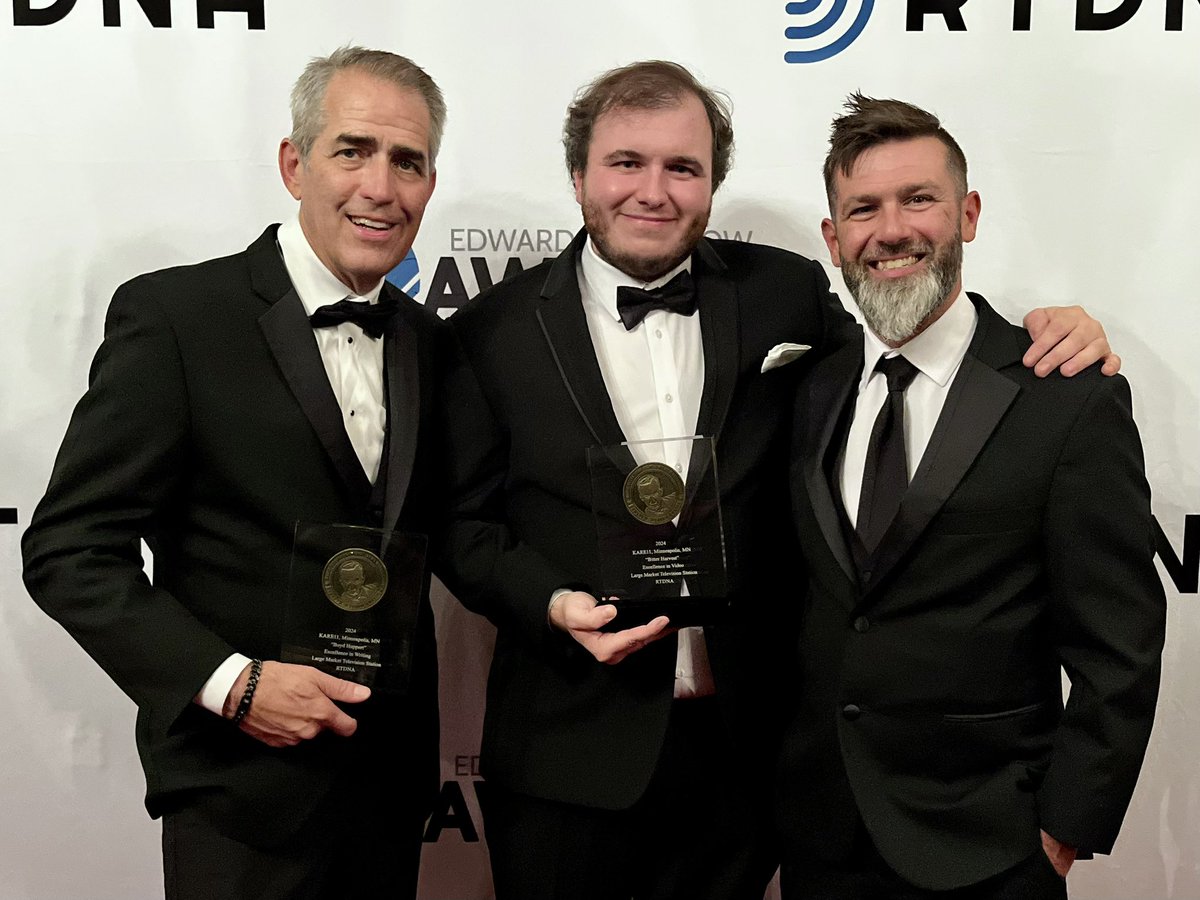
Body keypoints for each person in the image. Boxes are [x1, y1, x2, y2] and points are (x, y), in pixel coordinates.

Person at [437, 60, 1118, 900]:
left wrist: (1052, 329)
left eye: (683, 167)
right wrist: (547, 601)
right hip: (568, 759)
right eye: (626, 163)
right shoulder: (486, 333)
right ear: (578, 175)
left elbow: (915, 343)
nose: (653, 190)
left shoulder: (785, 296)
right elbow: (462, 528)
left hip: (750, 760)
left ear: (713, 184)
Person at [22, 46, 447, 900]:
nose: (381, 187)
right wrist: (233, 685)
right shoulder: (179, 317)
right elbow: (70, 550)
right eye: (352, 150)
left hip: (388, 794)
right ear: (294, 164)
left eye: (409, 162)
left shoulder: (431, 342)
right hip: (240, 789)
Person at [776, 94, 1166, 899]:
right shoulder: (809, 391)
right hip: (823, 844)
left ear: (969, 215)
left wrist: (1062, 833)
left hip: (992, 851)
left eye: (919, 199)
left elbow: (1118, 647)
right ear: (832, 237)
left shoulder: (1065, 396)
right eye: (862, 209)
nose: (891, 231)